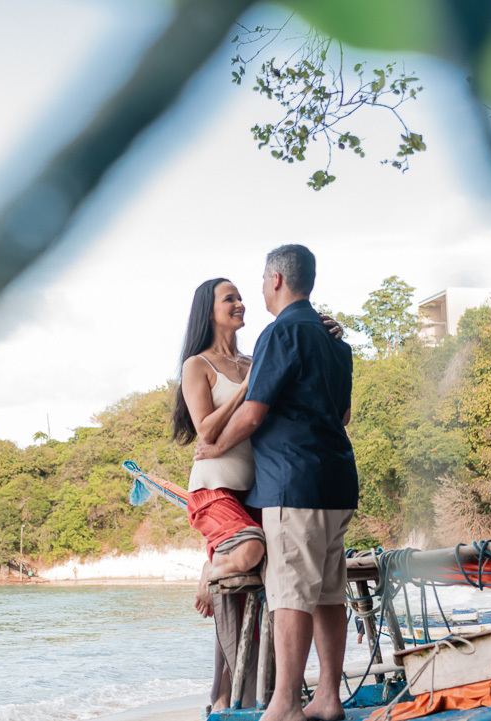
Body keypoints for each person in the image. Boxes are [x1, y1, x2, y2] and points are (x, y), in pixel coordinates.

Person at [195, 244, 358, 721]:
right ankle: (328, 698)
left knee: (289, 593)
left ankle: (285, 702)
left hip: (293, 482)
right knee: (329, 592)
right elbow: (343, 415)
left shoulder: (278, 333)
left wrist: (215, 446)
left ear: (277, 280)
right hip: (337, 483)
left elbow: (252, 413)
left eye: (261, 282)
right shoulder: (336, 340)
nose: (259, 292)